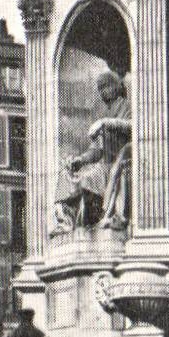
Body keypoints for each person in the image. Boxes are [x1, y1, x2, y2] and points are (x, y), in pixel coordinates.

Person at [53, 69, 131, 230]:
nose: (103, 91)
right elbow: (96, 149)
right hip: (103, 164)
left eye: (106, 86)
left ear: (116, 86)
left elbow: (133, 126)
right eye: (100, 88)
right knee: (67, 176)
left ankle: (100, 216)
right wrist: (80, 160)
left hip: (120, 160)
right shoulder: (104, 112)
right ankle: (66, 222)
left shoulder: (127, 106)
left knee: (93, 178)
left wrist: (106, 122)